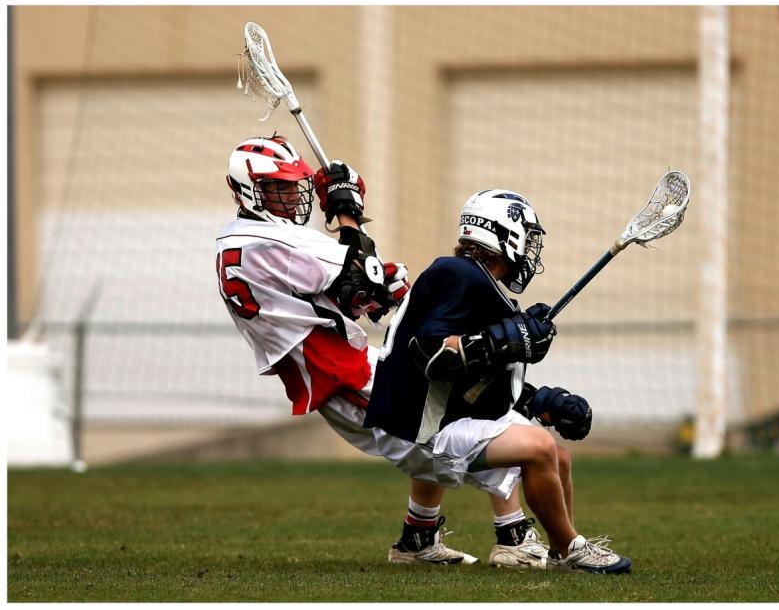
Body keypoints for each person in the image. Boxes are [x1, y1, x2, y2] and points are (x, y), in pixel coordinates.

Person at [215, 135, 544, 567]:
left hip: (337, 360)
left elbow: (353, 294)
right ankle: (513, 536)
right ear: (243, 188)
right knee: (456, 428)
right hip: (337, 371)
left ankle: (418, 541)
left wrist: (383, 285)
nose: (293, 195)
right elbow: (361, 276)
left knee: (436, 405)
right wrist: (348, 214)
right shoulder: (276, 243)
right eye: (279, 187)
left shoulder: (244, 239)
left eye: (295, 186)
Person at [364, 189, 632, 574]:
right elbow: (431, 355)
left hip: (438, 417)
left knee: (557, 456)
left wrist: (540, 401)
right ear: (505, 235)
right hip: (416, 429)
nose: (531, 250)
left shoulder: (478, 286)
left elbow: (479, 383)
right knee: (538, 448)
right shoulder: (457, 274)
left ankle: (550, 549)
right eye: (529, 237)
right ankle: (568, 549)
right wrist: (505, 339)